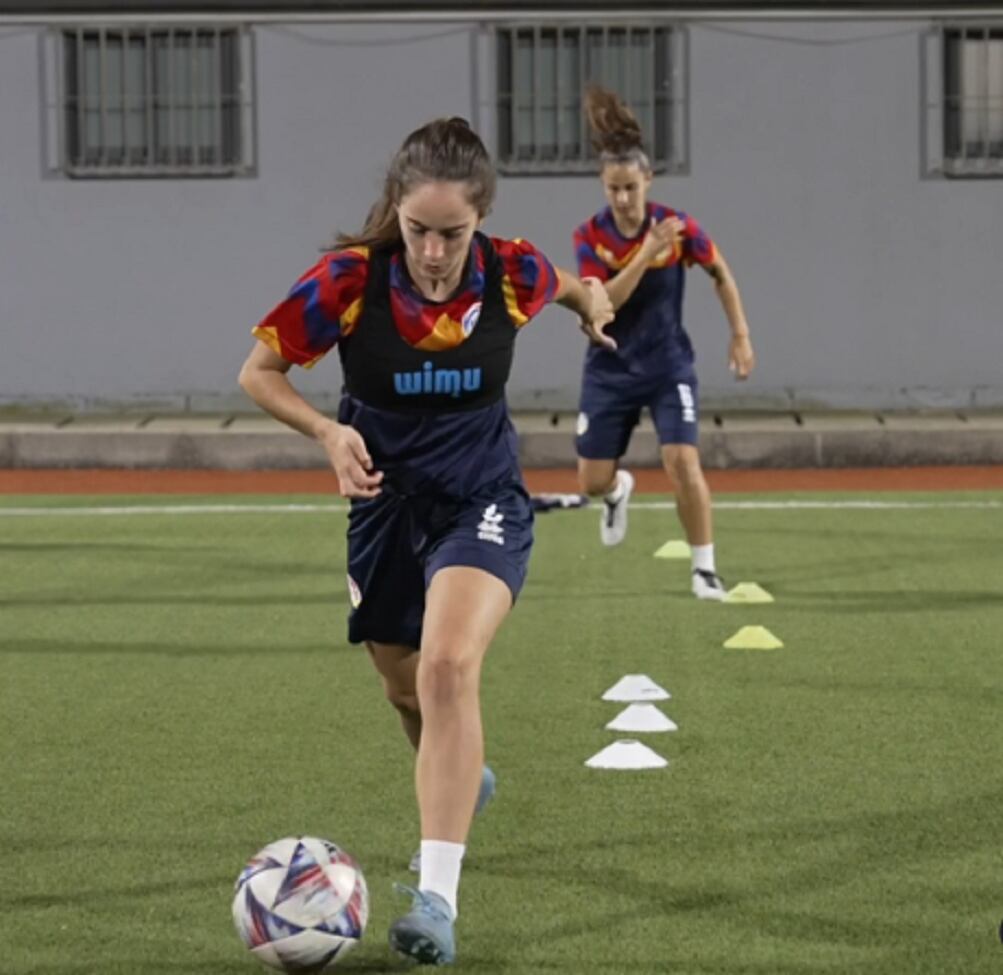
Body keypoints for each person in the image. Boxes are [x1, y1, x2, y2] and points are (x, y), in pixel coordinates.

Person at [238, 116, 613, 966]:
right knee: (406, 690)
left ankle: (436, 899)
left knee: (448, 667)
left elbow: (571, 285)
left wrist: (594, 310)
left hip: (480, 500)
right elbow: (257, 374)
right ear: (395, 214)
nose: (436, 252)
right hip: (382, 507)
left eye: (453, 233)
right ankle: (461, 773)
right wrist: (329, 435)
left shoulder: (511, 269)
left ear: (479, 220)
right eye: (419, 231)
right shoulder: (344, 282)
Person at [572, 86, 756, 600]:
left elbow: (719, 271)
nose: (624, 198)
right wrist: (646, 251)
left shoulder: (680, 228)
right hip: (609, 370)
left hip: (667, 365)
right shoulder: (589, 237)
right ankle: (616, 493)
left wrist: (739, 333)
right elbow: (603, 300)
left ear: (648, 180)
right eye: (614, 189)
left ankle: (704, 568)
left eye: (631, 186)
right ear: (603, 186)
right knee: (590, 481)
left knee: (682, 462)